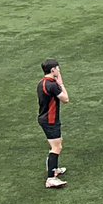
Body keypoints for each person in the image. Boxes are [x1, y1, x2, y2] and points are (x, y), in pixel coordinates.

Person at [38, 59, 70, 189]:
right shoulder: (52, 85)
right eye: (57, 68)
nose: (59, 70)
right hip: (50, 121)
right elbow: (66, 99)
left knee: (57, 144)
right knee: (56, 148)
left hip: (46, 118)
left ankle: (54, 169)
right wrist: (61, 83)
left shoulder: (42, 82)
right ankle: (51, 178)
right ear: (53, 70)